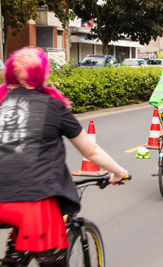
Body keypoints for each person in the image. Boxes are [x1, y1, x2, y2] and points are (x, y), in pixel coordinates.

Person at [0, 47, 128, 267]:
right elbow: (91, 151)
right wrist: (119, 172)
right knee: (53, 260)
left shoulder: (2, 103)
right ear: (43, 74)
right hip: (35, 201)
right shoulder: (53, 107)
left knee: (15, 256)